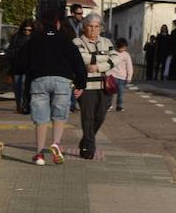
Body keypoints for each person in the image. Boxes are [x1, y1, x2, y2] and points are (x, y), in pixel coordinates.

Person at [25, 10, 86, 165]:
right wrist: (80, 84)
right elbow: (78, 63)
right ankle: (56, 143)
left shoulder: (34, 40)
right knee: (59, 115)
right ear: (58, 24)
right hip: (62, 81)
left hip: (39, 80)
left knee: (41, 118)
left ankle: (39, 154)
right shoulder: (67, 41)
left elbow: (22, 62)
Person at [73, 13, 115, 160]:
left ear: (100, 28)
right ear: (85, 27)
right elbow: (82, 58)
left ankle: (85, 141)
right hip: (86, 85)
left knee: (100, 116)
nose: (93, 29)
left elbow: (114, 58)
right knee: (88, 117)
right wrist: (104, 58)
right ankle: (88, 148)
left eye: (96, 27)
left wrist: (97, 66)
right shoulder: (77, 41)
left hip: (104, 84)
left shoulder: (106, 41)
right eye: (90, 26)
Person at [8, 20, 35, 113]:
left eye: (29, 30)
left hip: (28, 67)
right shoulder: (16, 38)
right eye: (25, 30)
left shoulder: (34, 39)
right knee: (17, 87)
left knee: (24, 86)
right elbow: (10, 51)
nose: (27, 32)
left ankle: (24, 105)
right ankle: (19, 105)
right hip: (16, 66)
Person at [108, 37, 134, 112]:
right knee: (110, 92)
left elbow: (129, 66)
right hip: (112, 76)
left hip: (122, 77)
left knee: (121, 93)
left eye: (124, 47)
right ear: (117, 46)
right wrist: (108, 74)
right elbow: (109, 64)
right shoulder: (113, 53)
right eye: (121, 48)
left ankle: (119, 106)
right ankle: (109, 105)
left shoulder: (126, 55)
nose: (122, 49)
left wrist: (129, 77)